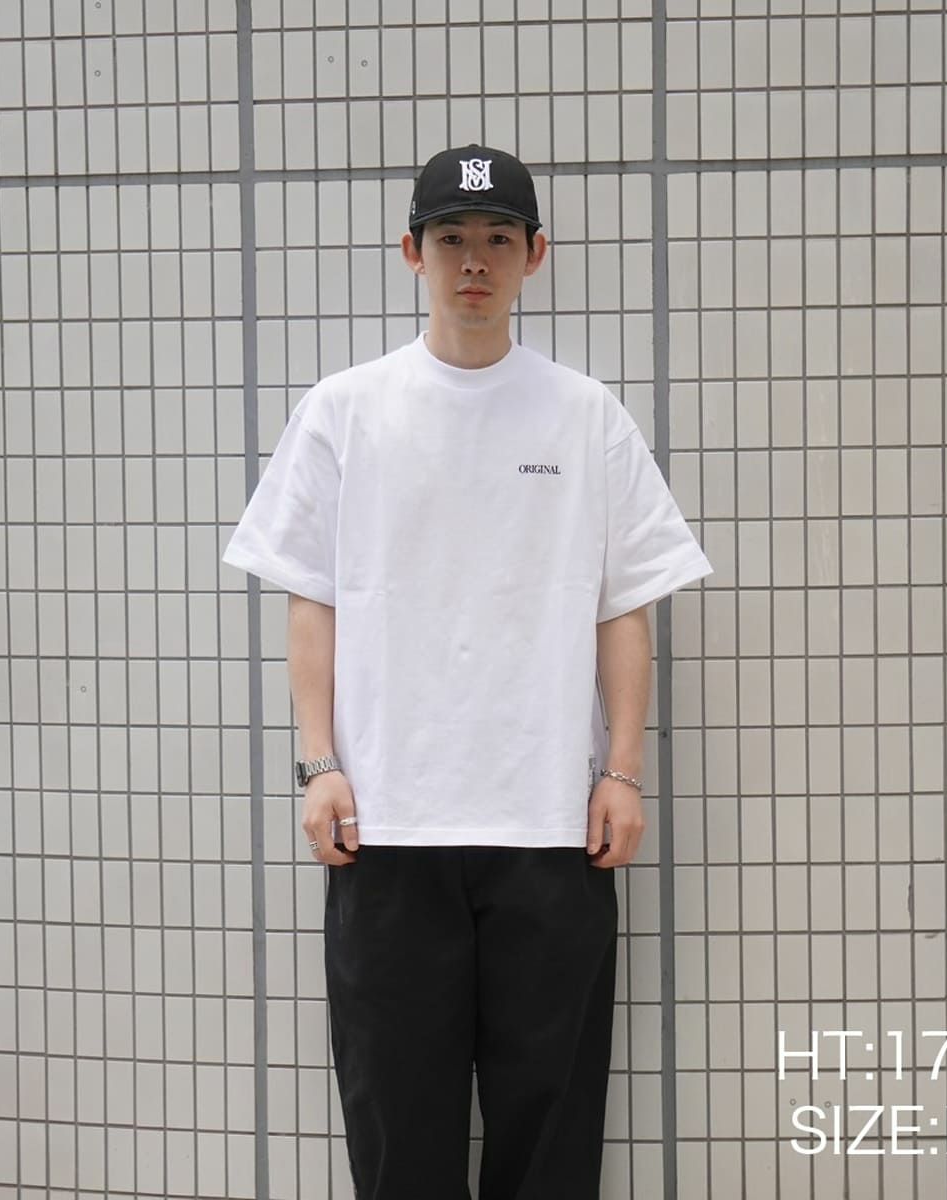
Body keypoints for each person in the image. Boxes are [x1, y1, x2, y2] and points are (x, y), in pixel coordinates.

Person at [222, 143, 713, 1200]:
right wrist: (319, 763)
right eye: (451, 239)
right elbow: (312, 597)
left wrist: (623, 773)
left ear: (537, 255)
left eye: (498, 239)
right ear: (414, 253)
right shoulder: (346, 409)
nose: (474, 262)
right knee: (400, 1131)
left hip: (551, 828)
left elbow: (625, 605)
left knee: (551, 1133)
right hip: (388, 829)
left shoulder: (585, 414)